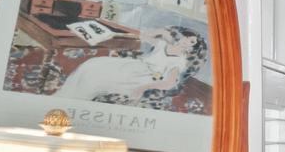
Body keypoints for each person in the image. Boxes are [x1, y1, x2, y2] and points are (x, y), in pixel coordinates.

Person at [53, 25, 206, 106]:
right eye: (186, 37)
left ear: (192, 48)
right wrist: (162, 32)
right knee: (91, 65)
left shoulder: (179, 61)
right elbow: (143, 36)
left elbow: (169, 83)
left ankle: (74, 102)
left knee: (97, 77)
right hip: (136, 66)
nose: (186, 41)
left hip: (148, 76)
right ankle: (64, 98)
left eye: (191, 42)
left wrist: (142, 88)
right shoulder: (162, 44)